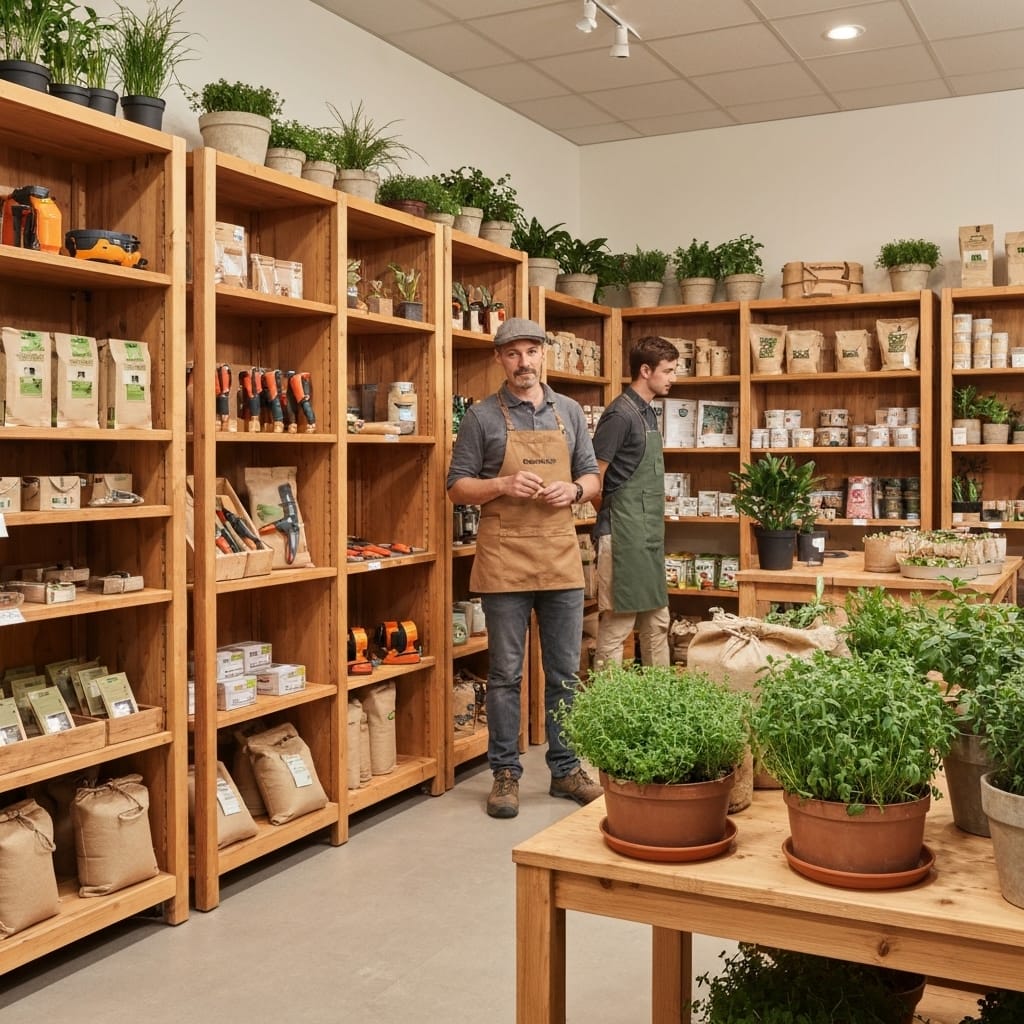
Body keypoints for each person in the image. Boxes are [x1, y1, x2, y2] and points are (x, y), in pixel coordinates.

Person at [447, 317, 603, 819]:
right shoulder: (481, 418)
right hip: (504, 558)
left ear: (543, 355)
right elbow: (456, 486)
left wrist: (576, 490)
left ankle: (564, 769)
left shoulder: (571, 412)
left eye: (531, 352)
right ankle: (505, 775)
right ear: (499, 360)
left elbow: (592, 476)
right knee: (506, 673)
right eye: (512, 354)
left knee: (563, 673)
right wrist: (500, 485)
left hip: (560, 554)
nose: (524, 362)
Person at [591, 336, 678, 668]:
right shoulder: (619, 415)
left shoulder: (647, 412)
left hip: (648, 537)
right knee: (618, 626)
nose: (673, 378)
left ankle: (660, 706)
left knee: (657, 623)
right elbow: (593, 479)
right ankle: (608, 710)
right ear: (645, 370)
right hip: (623, 537)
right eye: (668, 371)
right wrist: (618, 519)